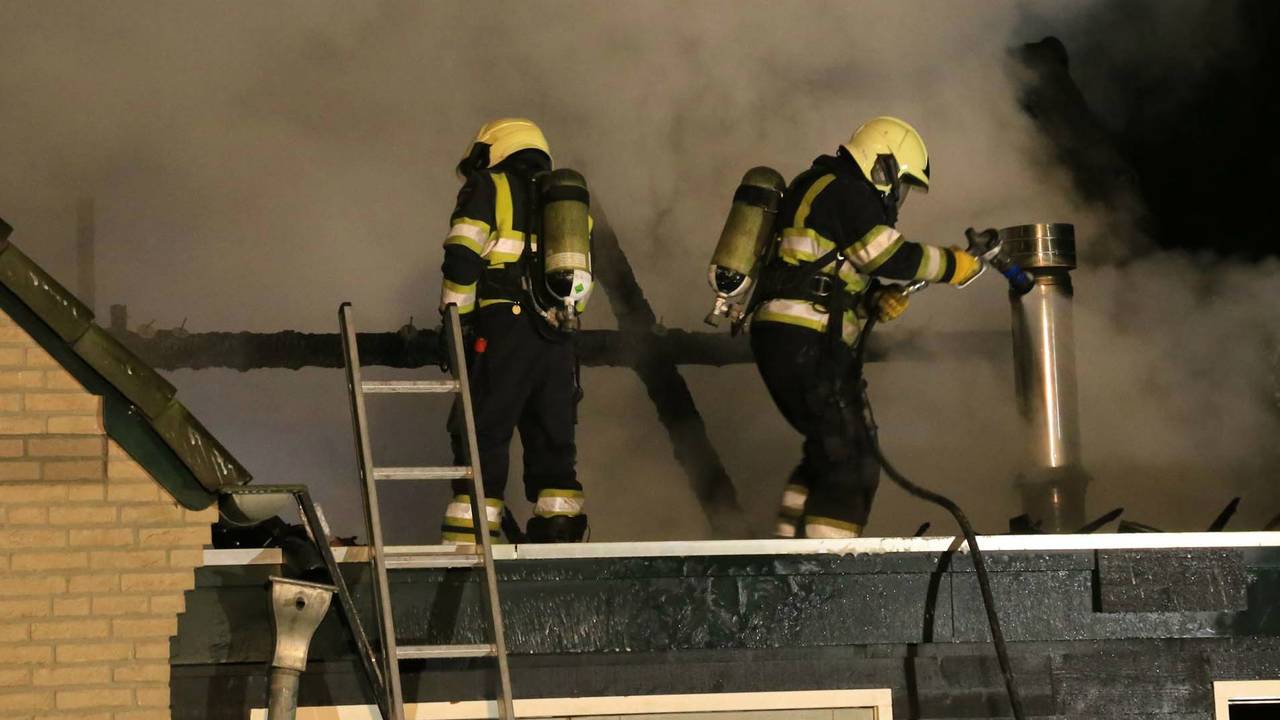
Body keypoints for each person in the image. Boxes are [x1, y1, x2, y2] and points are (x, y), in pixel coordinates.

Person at [749, 116, 980, 539]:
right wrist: (954, 264)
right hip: (808, 340)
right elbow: (886, 256)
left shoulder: (821, 187)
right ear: (883, 165)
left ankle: (786, 546)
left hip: (792, 335)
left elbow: (829, 267)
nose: (899, 196)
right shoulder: (846, 189)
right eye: (902, 183)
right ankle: (827, 571)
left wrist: (873, 299)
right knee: (853, 460)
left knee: (827, 450)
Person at [437, 118, 590, 544]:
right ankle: (559, 525)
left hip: (504, 325)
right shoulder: (566, 204)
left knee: (484, 426)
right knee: (552, 433)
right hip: (558, 333)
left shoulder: (490, 186)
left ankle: (468, 538)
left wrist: (456, 321)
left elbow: (463, 258)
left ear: (495, 149)